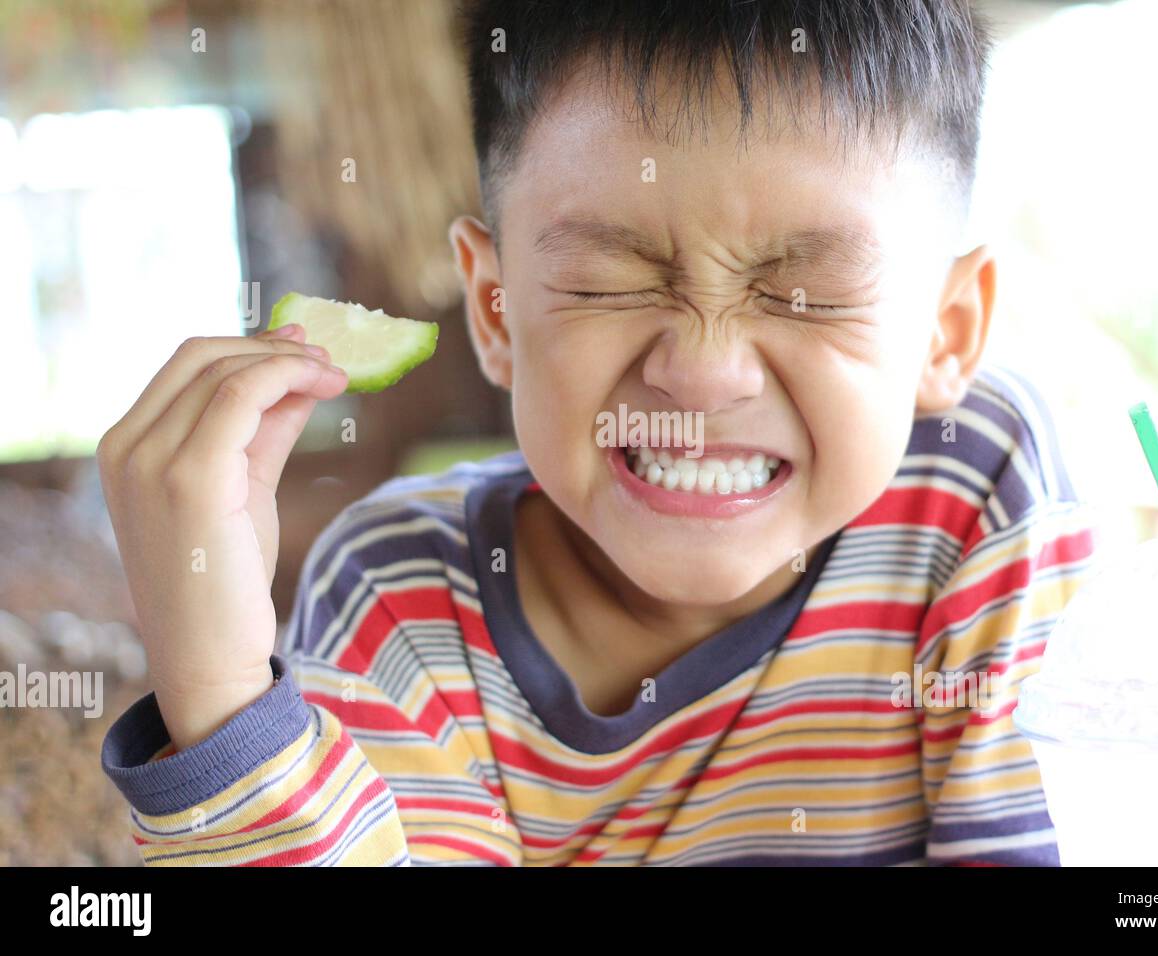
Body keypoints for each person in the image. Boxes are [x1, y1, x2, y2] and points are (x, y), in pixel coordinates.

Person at [98, 0, 1094, 865]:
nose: (705, 367)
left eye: (803, 292)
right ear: (495, 312)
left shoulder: (975, 493)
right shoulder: (402, 597)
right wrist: (224, 697)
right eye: (608, 282)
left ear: (945, 330)